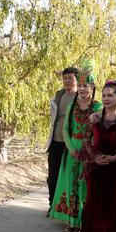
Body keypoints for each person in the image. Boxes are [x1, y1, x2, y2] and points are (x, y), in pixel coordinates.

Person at [78, 80, 116, 232]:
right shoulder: (94, 117)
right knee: (93, 198)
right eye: (103, 95)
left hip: (115, 166)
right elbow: (86, 141)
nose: (106, 98)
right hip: (95, 164)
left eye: (110, 95)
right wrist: (96, 157)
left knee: (109, 200)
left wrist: (115, 158)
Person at [50, 60, 102, 232]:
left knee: (85, 185)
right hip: (71, 148)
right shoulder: (73, 105)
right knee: (70, 183)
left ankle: (84, 220)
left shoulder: (98, 107)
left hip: (90, 150)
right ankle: (72, 221)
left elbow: (99, 132)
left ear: (93, 86)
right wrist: (71, 147)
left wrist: (89, 149)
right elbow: (65, 129)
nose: (82, 88)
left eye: (85, 85)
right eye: (79, 85)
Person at [46, 67, 78, 216]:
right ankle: (52, 204)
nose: (66, 81)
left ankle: (69, 209)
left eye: (70, 78)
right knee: (53, 175)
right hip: (55, 140)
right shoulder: (58, 96)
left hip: (71, 142)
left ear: (77, 79)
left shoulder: (80, 97)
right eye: (64, 78)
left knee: (68, 176)